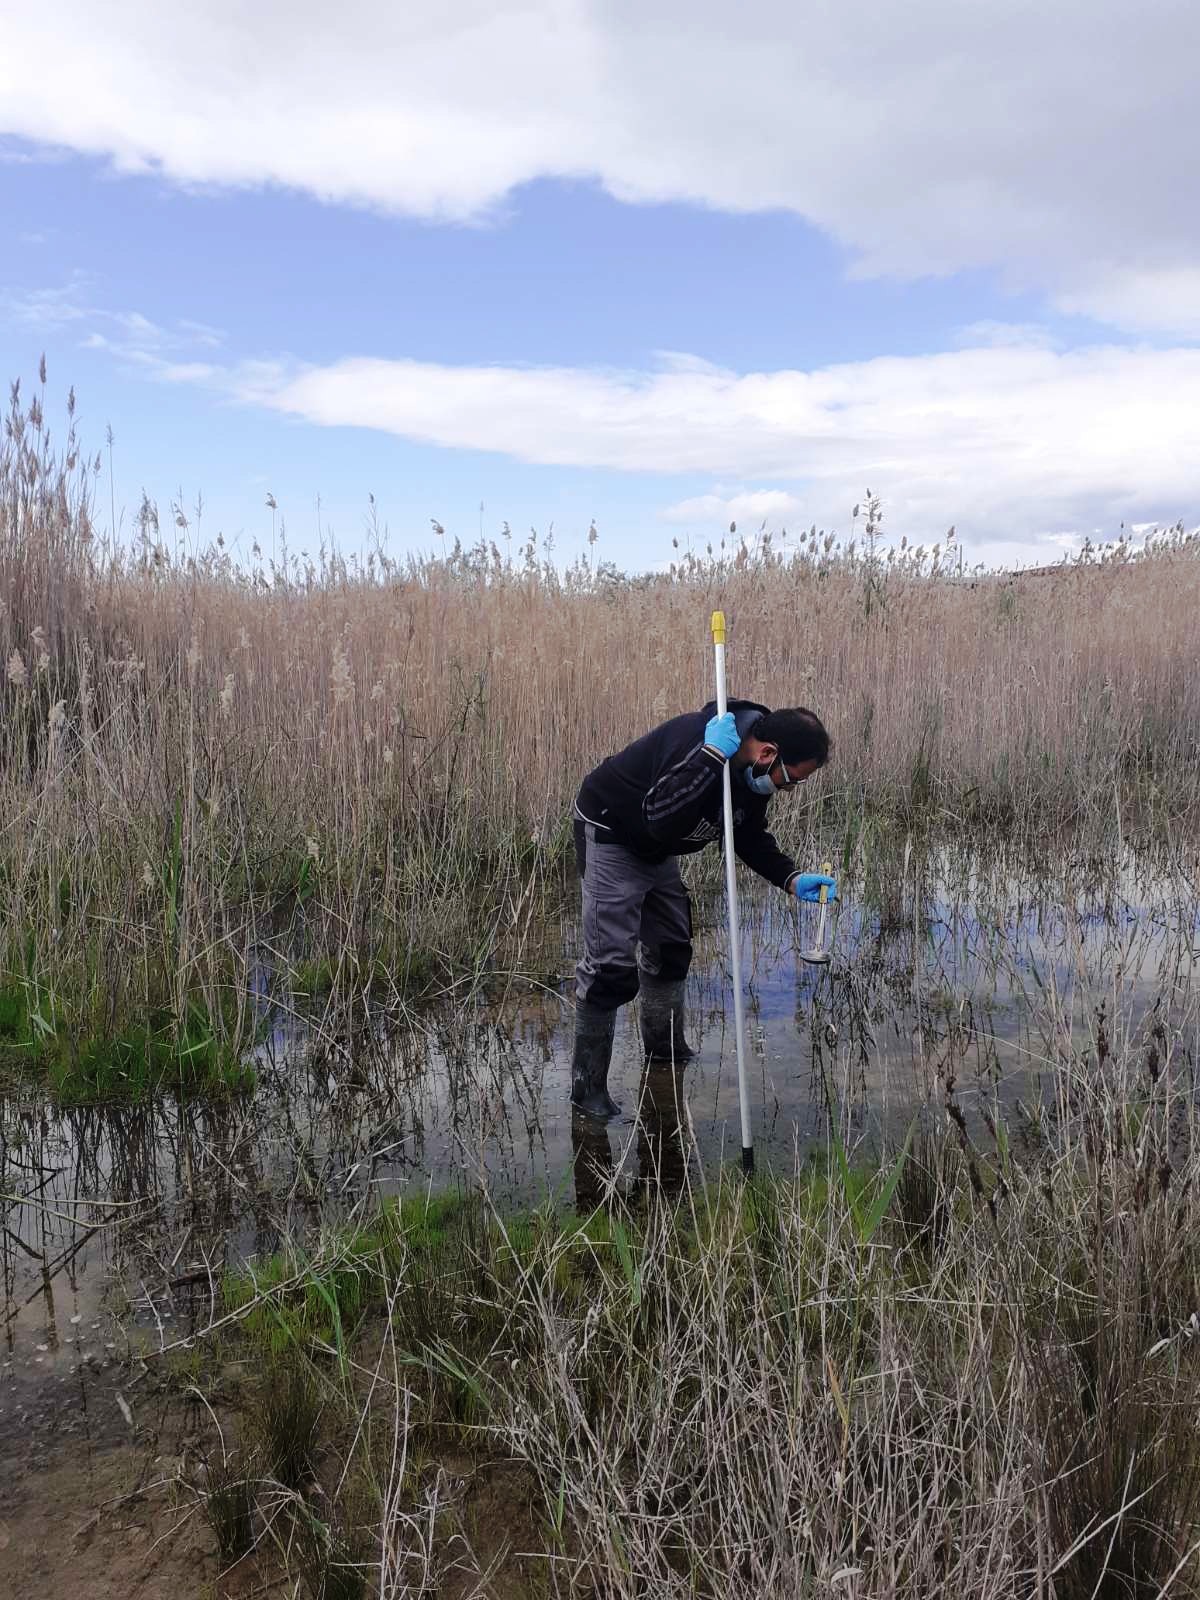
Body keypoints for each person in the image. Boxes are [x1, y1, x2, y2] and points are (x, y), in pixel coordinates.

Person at [570, 698, 836, 1119]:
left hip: (657, 847)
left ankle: (665, 1052)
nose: (787, 789)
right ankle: (587, 1094)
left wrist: (789, 877)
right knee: (610, 971)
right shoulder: (697, 742)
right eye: (791, 781)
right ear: (769, 753)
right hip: (613, 831)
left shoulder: (752, 773)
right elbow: (658, 817)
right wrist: (711, 758)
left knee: (672, 948)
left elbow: (745, 833)